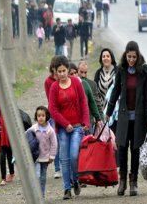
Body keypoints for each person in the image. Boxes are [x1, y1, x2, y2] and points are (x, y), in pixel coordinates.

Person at [105, 41, 147, 196]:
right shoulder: (121, 70)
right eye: (129, 56)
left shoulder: (145, 71)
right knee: (122, 148)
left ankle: (134, 182)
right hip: (124, 117)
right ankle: (123, 181)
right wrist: (108, 111)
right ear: (125, 56)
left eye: (134, 57)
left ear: (138, 56)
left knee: (135, 149)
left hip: (138, 117)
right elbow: (116, 92)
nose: (131, 59)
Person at [48, 56, 90, 200]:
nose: (62, 74)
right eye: (59, 71)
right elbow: (52, 109)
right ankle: (67, 188)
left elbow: (84, 102)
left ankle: (75, 179)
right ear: (55, 71)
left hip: (78, 127)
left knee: (74, 155)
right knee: (64, 159)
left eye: (64, 71)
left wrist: (85, 122)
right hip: (63, 129)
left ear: (68, 70)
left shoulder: (76, 83)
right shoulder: (54, 87)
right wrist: (65, 124)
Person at [27, 106, 57, 198]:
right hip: (35, 158)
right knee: (36, 176)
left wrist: (52, 156)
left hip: (45, 158)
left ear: (46, 116)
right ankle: (35, 194)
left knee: (43, 177)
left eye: (43, 115)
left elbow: (54, 144)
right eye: (39, 115)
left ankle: (41, 195)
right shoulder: (33, 128)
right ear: (36, 117)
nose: (40, 117)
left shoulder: (50, 130)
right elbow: (26, 136)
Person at [0, 93, 15, 186]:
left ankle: (12, 173)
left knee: (10, 157)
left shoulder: (7, 111)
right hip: (1, 139)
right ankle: (3, 178)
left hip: (9, 139)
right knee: (2, 158)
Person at [69, 62, 101, 132]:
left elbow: (93, 103)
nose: (74, 75)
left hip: (86, 122)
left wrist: (99, 119)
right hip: (71, 124)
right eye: (71, 74)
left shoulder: (85, 84)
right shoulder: (64, 87)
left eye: (75, 73)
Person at [44, 56, 62, 179]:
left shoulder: (64, 78)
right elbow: (50, 100)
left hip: (65, 113)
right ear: (52, 68)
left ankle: (65, 166)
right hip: (53, 114)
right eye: (56, 68)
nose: (58, 71)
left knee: (63, 141)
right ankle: (57, 168)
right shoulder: (48, 81)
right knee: (55, 142)